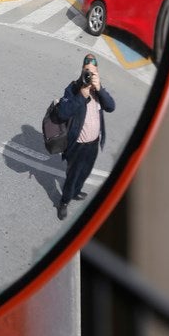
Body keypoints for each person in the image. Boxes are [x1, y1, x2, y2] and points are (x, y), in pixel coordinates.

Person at [53, 53, 116, 220]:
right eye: (87, 71)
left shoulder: (98, 90)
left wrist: (99, 88)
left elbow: (111, 107)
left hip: (93, 144)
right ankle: (64, 201)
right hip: (77, 145)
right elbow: (62, 113)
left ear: (97, 73)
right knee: (72, 175)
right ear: (82, 71)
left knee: (85, 172)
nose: (89, 75)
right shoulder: (73, 88)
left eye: (93, 72)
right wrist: (82, 94)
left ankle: (76, 192)